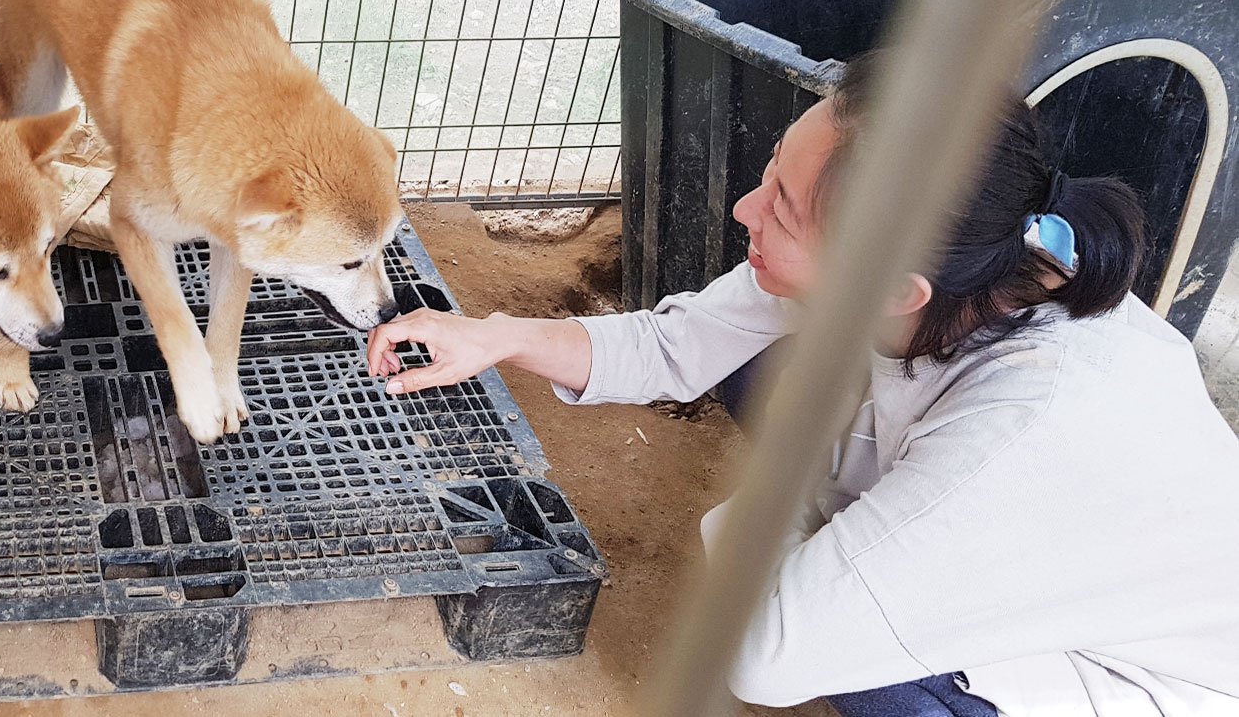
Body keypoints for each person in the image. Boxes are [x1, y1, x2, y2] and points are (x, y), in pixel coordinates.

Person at [367, 54, 1239, 716]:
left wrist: (769, 504)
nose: (744, 208)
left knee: (873, 680)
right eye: (773, 174)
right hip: (1006, 539)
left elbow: (765, 653)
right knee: (761, 360)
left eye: (779, 204)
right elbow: (677, 346)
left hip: (1123, 674)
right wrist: (492, 336)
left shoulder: (1026, 427)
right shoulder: (965, 265)